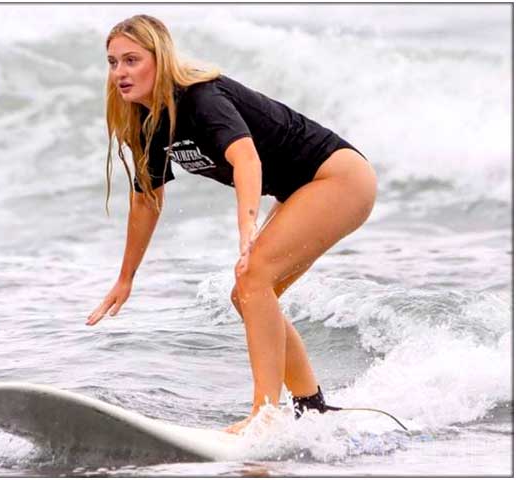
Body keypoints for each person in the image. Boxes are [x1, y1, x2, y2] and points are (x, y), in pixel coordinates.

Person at [86, 14, 377, 435]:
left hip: (339, 178)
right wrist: (125, 278)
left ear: (160, 58)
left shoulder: (200, 99)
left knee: (253, 275)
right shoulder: (149, 120)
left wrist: (247, 230)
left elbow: (246, 159)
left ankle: (264, 415)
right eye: (113, 63)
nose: (120, 73)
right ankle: (310, 406)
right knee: (248, 294)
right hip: (302, 189)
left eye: (131, 60)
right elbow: (146, 200)